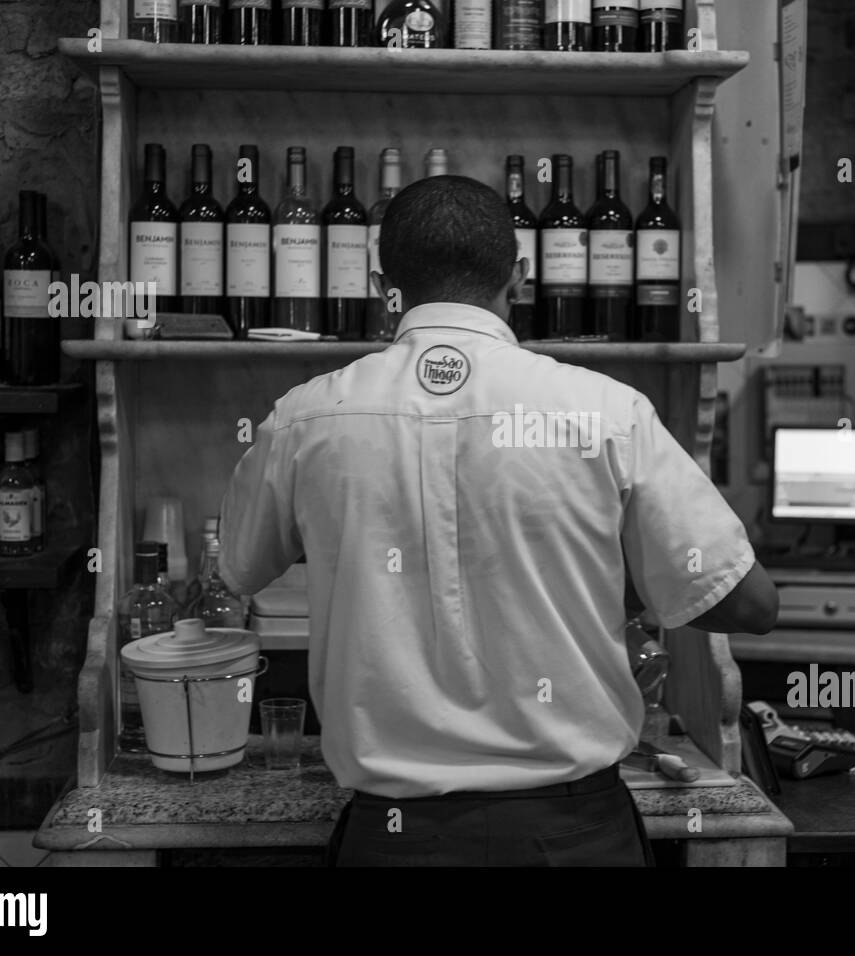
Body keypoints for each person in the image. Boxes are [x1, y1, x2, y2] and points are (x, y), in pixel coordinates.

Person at [219, 175, 778, 867]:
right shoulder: (606, 413)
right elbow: (752, 604)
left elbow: (239, 568)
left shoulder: (304, 419)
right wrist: (622, 587)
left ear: (378, 283)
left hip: (391, 840)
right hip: (573, 836)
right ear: (519, 274)